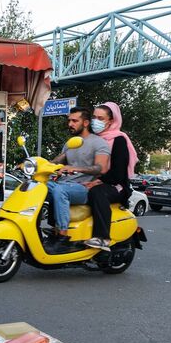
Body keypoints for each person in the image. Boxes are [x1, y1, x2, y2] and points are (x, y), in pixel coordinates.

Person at [47, 107, 110, 246]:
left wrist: (75, 168)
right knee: (35, 187)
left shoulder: (98, 143)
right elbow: (58, 160)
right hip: (63, 183)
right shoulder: (71, 143)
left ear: (86, 123)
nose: (70, 124)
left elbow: (101, 168)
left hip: (82, 188)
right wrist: (37, 164)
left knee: (59, 191)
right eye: (69, 120)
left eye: (75, 121)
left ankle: (63, 235)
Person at [84, 102, 139, 250]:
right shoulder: (89, 139)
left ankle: (102, 237)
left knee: (97, 193)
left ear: (111, 121)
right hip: (91, 181)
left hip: (116, 186)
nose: (96, 121)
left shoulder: (118, 139)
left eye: (100, 118)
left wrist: (98, 181)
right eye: (94, 117)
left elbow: (118, 173)